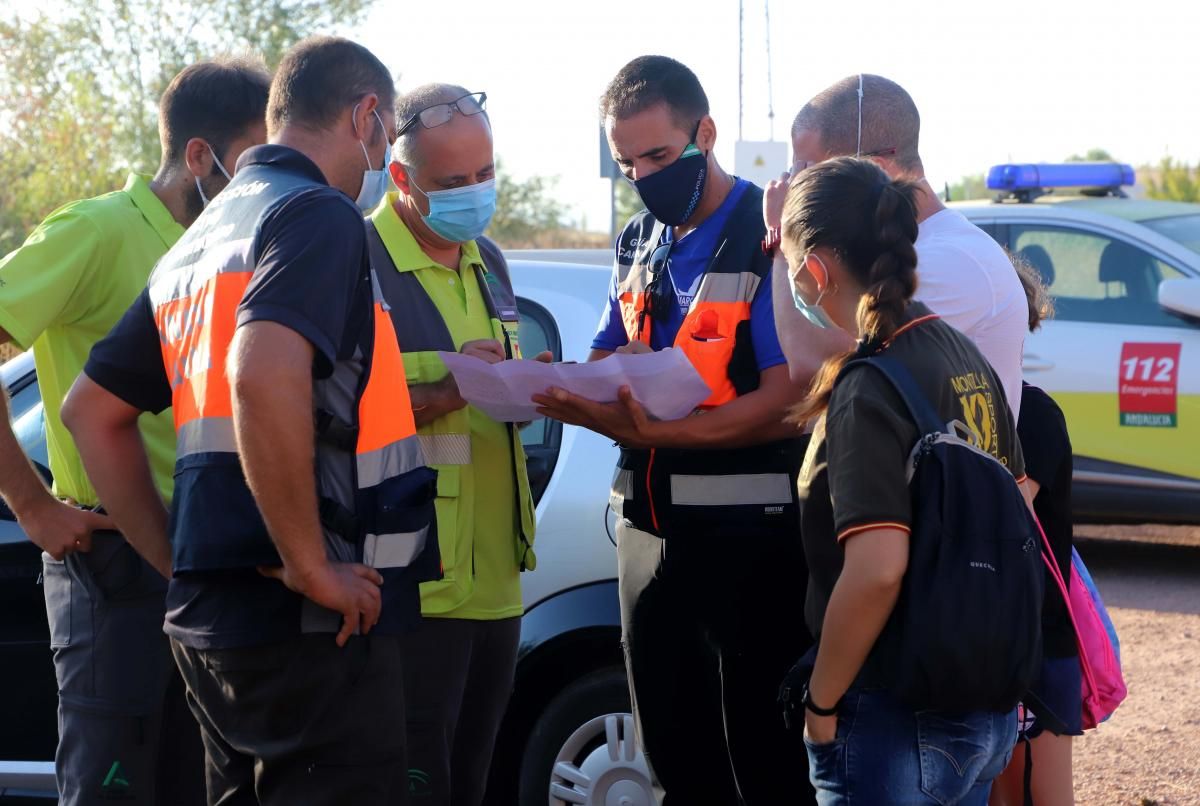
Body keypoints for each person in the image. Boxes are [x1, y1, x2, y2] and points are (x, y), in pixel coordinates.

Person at [62, 36, 436, 806]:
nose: (384, 157)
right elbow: (262, 371)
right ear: (366, 115)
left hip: (214, 626)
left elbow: (89, 412)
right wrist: (308, 564)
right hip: (312, 625)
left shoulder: (199, 241)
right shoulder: (317, 216)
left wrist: (179, 561)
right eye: (389, 136)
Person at [534, 55, 815, 805]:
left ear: (706, 134)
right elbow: (601, 356)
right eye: (627, 163)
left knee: (764, 762)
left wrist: (669, 435)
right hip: (647, 534)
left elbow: (791, 393)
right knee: (674, 757)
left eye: (658, 156)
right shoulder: (637, 240)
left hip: (752, 544)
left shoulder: (767, 233)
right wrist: (564, 388)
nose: (643, 175)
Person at [0, 57, 270, 806]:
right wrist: (32, 509)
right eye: (256, 154)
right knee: (113, 786)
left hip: (209, 558)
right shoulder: (94, 231)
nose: (268, 175)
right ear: (198, 156)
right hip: (112, 564)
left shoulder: (232, 245)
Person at [783, 156, 1025, 805]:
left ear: (814, 269)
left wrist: (821, 703)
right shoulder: (960, 349)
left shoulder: (868, 386)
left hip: (894, 710)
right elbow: (1020, 497)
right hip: (982, 705)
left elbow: (878, 569)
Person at [366, 82, 549, 806]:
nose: (475, 195)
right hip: (411, 585)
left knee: (472, 783)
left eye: (484, 175)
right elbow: (321, 417)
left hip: (496, 579)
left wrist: (531, 387)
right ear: (403, 178)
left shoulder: (489, 260)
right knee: (413, 784)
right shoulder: (358, 260)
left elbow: (490, 408)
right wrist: (447, 392)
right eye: (454, 182)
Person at [769, 74, 1027, 422]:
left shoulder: (948, 260)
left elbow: (811, 363)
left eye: (811, 175)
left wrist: (782, 236)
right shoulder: (912, 251)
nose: (797, 191)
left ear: (874, 170)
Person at [991, 261, 1080, 806]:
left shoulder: (1036, 414)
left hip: (1035, 638)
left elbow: (1007, 512)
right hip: (976, 635)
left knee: (1039, 796)